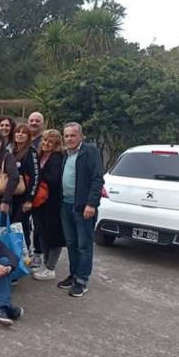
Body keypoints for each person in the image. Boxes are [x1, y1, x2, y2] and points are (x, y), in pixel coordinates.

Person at [58, 122, 104, 297]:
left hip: (83, 207)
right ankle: (74, 274)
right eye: (67, 136)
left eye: (72, 135)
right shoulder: (66, 154)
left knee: (84, 245)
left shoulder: (90, 152)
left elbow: (97, 179)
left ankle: (82, 280)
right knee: (71, 243)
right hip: (66, 204)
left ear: (80, 136)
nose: (69, 138)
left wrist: (91, 204)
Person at [32, 129, 65, 281]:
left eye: (50, 142)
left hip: (52, 202)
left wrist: (38, 173)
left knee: (53, 235)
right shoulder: (40, 155)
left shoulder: (57, 157)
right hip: (39, 202)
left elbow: (54, 179)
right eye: (44, 140)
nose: (46, 144)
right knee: (42, 233)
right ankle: (45, 264)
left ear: (56, 144)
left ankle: (51, 268)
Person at [11, 124, 40, 251]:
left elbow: (36, 176)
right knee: (13, 226)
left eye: (23, 133)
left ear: (28, 136)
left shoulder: (31, 152)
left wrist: (29, 199)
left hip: (24, 197)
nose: (20, 134)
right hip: (12, 196)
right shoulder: (13, 151)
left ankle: (25, 254)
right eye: (18, 132)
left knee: (22, 226)